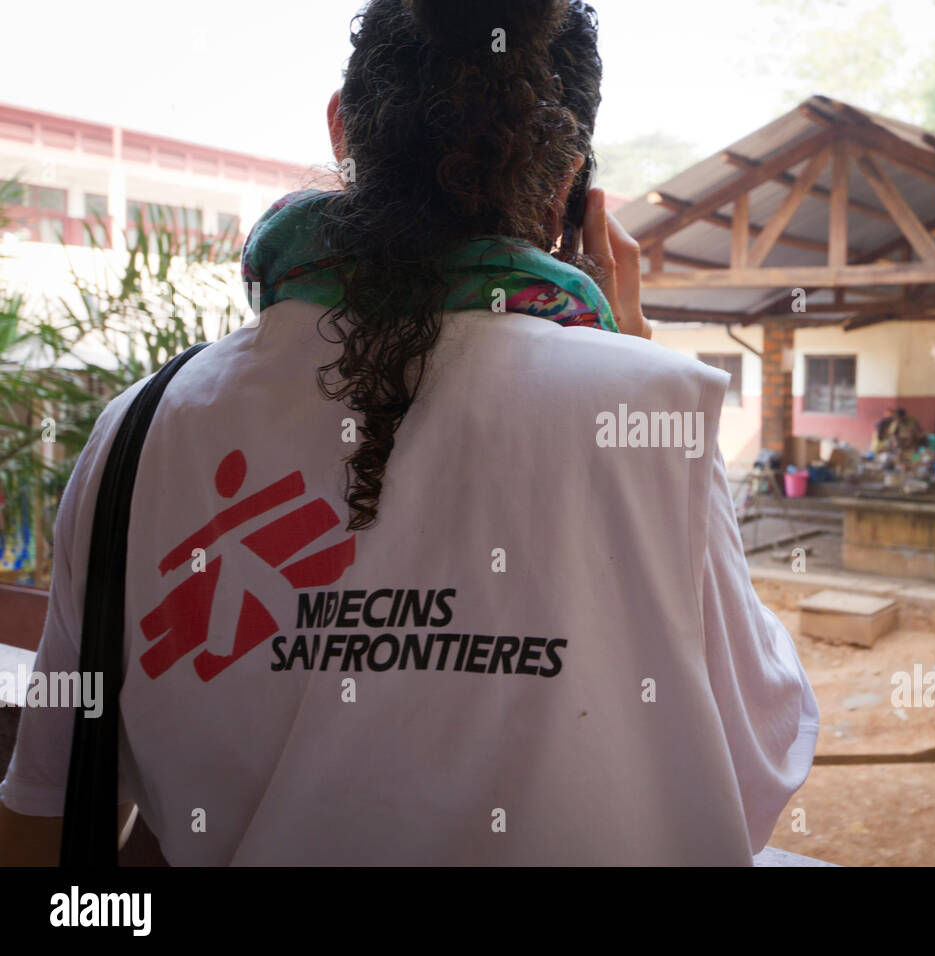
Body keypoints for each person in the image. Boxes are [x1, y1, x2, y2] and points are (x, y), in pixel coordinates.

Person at [0, 0, 817, 866]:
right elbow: (755, 763)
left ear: (342, 130)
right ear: (568, 192)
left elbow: (45, 807)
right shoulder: (650, 414)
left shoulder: (139, 429)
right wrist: (626, 360)